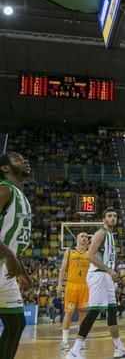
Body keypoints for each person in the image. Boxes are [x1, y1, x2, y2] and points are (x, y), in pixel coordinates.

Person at [66, 208, 125, 359]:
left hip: (105, 276)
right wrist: (109, 270)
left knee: (112, 311)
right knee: (94, 312)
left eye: (115, 216)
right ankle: (74, 351)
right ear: (104, 219)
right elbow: (89, 256)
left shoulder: (110, 235)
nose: (113, 218)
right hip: (98, 276)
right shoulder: (101, 233)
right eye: (109, 216)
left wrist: (110, 271)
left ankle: (119, 348)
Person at [0, 152, 32, 359]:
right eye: (18, 159)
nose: (25, 161)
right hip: (4, 260)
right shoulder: (3, 190)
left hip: (7, 268)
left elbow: (8, 238)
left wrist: (21, 270)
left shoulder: (20, 195)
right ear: (5, 168)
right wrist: (10, 257)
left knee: (17, 323)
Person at [56, 232, 90, 351]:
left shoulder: (90, 253)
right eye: (82, 236)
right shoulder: (69, 251)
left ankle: (81, 341)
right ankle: (64, 341)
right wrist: (60, 285)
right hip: (71, 285)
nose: (85, 238)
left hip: (85, 286)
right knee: (68, 313)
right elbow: (63, 269)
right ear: (77, 239)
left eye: (86, 237)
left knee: (83, 314)